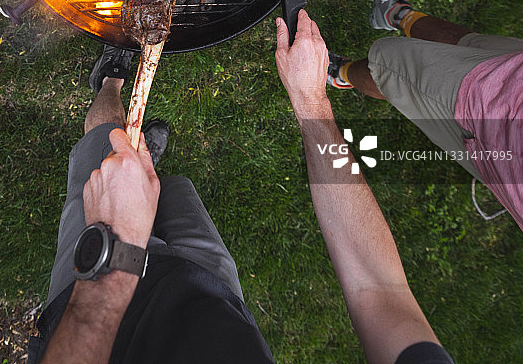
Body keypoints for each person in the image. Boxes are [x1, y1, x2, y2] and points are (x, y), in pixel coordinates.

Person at [28, 22, 454, 364]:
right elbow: (379, 289)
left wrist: (113, 254)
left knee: (106, 143)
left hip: (99, 299)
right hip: (212, 293)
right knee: (178, 193)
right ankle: (145, 169)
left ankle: (111, 83)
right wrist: (311, 102)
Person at [327, 0, 523, 232]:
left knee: (390, 65)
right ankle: (395, 13)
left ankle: (339, 73)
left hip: (501, 123)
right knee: (472, 46)